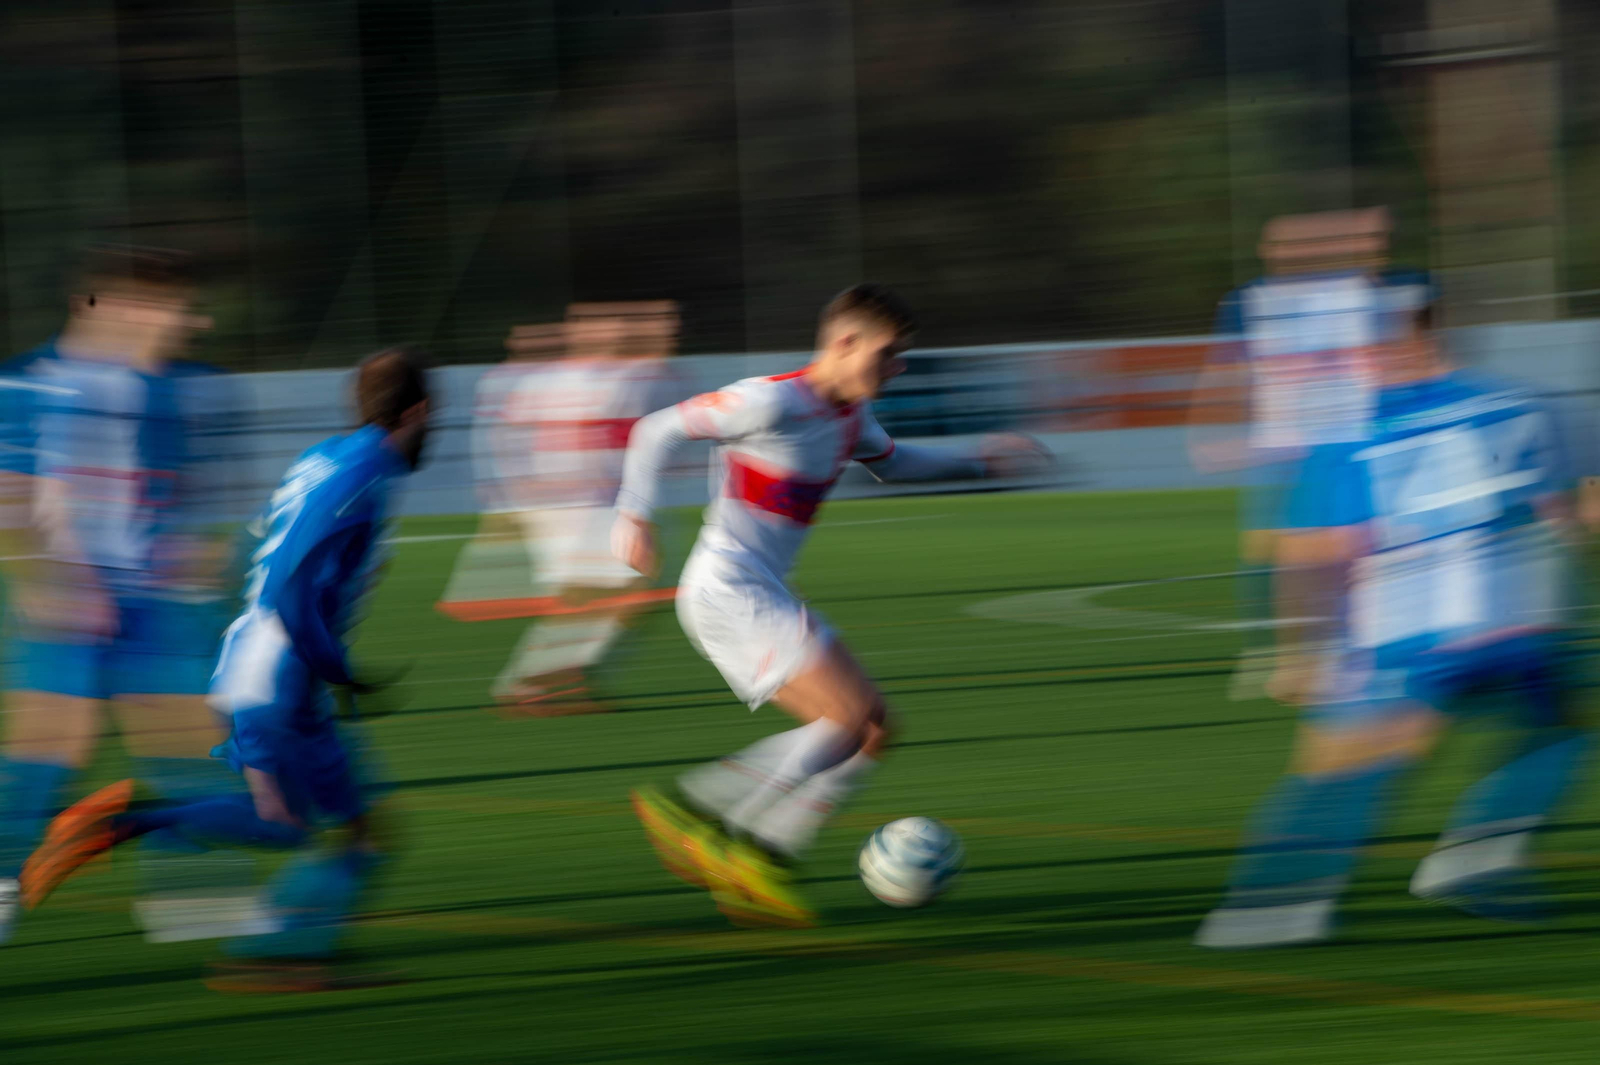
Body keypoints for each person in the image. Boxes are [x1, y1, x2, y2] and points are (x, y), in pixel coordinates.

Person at [614, 284, 1047, 927]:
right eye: (889, 354)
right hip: (729, 588)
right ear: (845, 343)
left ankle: (764, 856)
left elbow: (896, 467)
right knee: (847, 718)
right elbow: (656, 430)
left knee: (872, 730)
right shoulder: (769, 400)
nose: (896, 369)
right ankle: (700, 810)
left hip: (757, 590)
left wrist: (981, 464)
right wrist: (635, 517)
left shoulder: (849, 415)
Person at [20, 346, 432, 988]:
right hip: (283, 677)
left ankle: (287, 948)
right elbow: (292, 581)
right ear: (419, 411)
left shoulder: (321, 456)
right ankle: (135, 825)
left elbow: (251, 550)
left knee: (361, 829)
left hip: (269, 668)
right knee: (286, 827)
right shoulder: (365, 475)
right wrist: (336, 663)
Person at [1195, 301, 1588, 948]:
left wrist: (1299, 650)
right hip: (1520, 618)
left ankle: (1269, 907)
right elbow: (1564, 511)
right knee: (1556, 734)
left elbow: (1316, 548)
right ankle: (1475, 860)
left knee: (1346, 765)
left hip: (1409, 625)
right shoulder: (1519, 400)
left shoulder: (1356, 427)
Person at [0, 246, 238, 945]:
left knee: (193, 749)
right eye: (167, 311)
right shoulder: (30, 382)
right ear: (107, 307)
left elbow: (193, 489)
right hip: (72, 600)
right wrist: (45, 579)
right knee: (50, 750)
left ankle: (193, 902)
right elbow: (8, 500)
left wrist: (202, 550)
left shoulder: (188, 385)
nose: (185, 325)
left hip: (157, 603)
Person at [486, 302, 684, 712]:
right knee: (626, 588)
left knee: (606, 593)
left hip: (573, 505)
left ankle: (554, 677)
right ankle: (537, 681)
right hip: (577, 506)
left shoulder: (569, 378)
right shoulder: (606, 379)